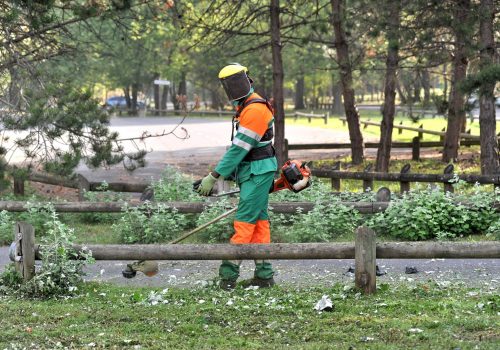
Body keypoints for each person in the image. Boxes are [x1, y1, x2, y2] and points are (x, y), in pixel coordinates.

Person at [196, 63, 277, 289]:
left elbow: (238, 149)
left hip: (258, 172)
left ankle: (228, 278)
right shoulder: (247, 107)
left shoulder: (255, 110)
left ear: (245, 80)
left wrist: (214, 176)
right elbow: (242, 150)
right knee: (260, 224)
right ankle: (264, 276)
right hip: (253, 171)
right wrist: (225, 175)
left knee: (244, 223)